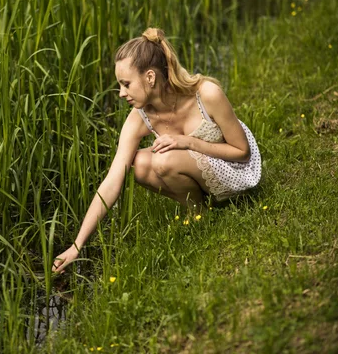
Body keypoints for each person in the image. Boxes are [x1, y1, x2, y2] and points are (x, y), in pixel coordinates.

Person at [52, 28, 261, 273]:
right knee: (138, 163)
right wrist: (77, 245)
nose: (121, 93)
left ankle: (211, 209)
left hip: (237, 172)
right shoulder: (138, 117)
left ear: (150, 77)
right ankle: (199, 213)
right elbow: (112, 180)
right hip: (200, 171)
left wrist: (188, 142)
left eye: (126, 84)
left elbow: (242, 152)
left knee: (163, 160)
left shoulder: (206, 94)